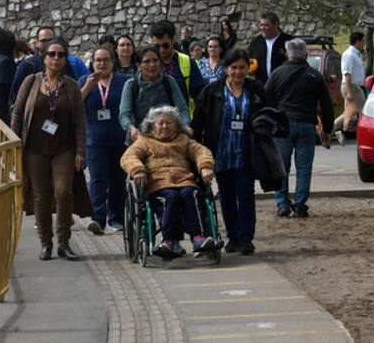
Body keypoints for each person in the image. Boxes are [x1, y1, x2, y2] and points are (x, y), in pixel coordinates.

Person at [11, 38, 89, 261]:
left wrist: (80, 151)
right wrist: (15, 145)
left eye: (61, 55)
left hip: (63, 149)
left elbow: (80, 121)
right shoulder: (31, 82)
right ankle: (46, 243)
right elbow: (17, 114)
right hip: (34, 149)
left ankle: (64, 242)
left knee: (64, 192)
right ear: (43, 58)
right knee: (41, 196)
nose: (56, 58)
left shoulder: (72, 87)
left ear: (66, 59)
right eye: (52, 54)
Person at [192, 48, 268, 255]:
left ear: (247, 69)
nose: (238, 72)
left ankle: (245, 238)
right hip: (221, 152)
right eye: (234, 68)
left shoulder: (255, 90)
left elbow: (268, 115)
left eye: (242, 68)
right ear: (226, 69)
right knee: (226, 197)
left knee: (245, 195)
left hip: (246, 153)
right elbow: (198, 122)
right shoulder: (212, 91)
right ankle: (232, 236)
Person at [121, 106, 216, 256]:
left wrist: (205, 167)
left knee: (189, 194)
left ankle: (198, 238)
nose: (165, 126)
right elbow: (128, 157)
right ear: (152, 125)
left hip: (185, 181)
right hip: (158, 184)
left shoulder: (184, 140)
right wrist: (138, 170)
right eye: (161, 123)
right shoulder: (144, 141)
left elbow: (201, 151)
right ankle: (168, 241)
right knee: (172, 197)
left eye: (169, 123)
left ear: (177, 125)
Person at [265, 38, 334, 218]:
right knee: (304, 168)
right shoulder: (314, 76)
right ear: (306, 54)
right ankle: (300, 204)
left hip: (282, 126)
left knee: (281, 167)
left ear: (288, 54)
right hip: (306, 125)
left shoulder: (277, 73)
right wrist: (327, 130)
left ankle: (282, 203)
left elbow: (266, 100)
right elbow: (327, 105)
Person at [79, 47, 129, 234]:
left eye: (106, 60)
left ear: (112, 62)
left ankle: (116, 218)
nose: (102, 63)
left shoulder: (123, 82)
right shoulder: (85, 81)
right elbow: (75, 105)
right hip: (94, 140)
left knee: (118, 179)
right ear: (92, 63)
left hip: (118, 139)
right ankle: (98, 219)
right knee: (98, 180)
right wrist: (87, 88)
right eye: (98, 60)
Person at [119, 45, 189, 146]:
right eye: (147, 62)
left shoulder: (169, 82)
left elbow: (182, 110)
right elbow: (124, 114)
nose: (152, 65)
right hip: (139, 141)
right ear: (139, 66)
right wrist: (131, 128)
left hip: (168, 140)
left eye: (155, 60)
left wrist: (185, 128)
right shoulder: (131, 86)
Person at [9, 26, 88, 105]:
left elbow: (72, 92)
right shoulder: (28, 65)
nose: (48, 43)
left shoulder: (64, 63)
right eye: (43, 40)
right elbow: (15, 97)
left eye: (51, 40)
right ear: (36, 43)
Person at [151, 20, 206, 115]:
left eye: (165, 45)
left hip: (182, 122)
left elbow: (200, 96)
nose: (161, 50)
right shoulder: (148, 63)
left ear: (173, 40)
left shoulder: (188, 62)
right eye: (157, 46)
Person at [333, 32, 367, 146]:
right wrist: (349, 91)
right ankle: (365, 136)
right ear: (357, 41)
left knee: (349, 114)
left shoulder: (356, 54)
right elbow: (347, 73)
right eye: (363, 41)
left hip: (356, 87)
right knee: (364, 113)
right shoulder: (349, 55)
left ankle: (334, 131)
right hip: (352, 86)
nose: (364, 43)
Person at [247, 12, 295, 84]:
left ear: (276, 25)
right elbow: (249, 61)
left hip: (283, 86)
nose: (263, 28)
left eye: (266, 25)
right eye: (261, 25)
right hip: (261, 87)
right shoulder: (255, 43)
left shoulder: (289, 42)